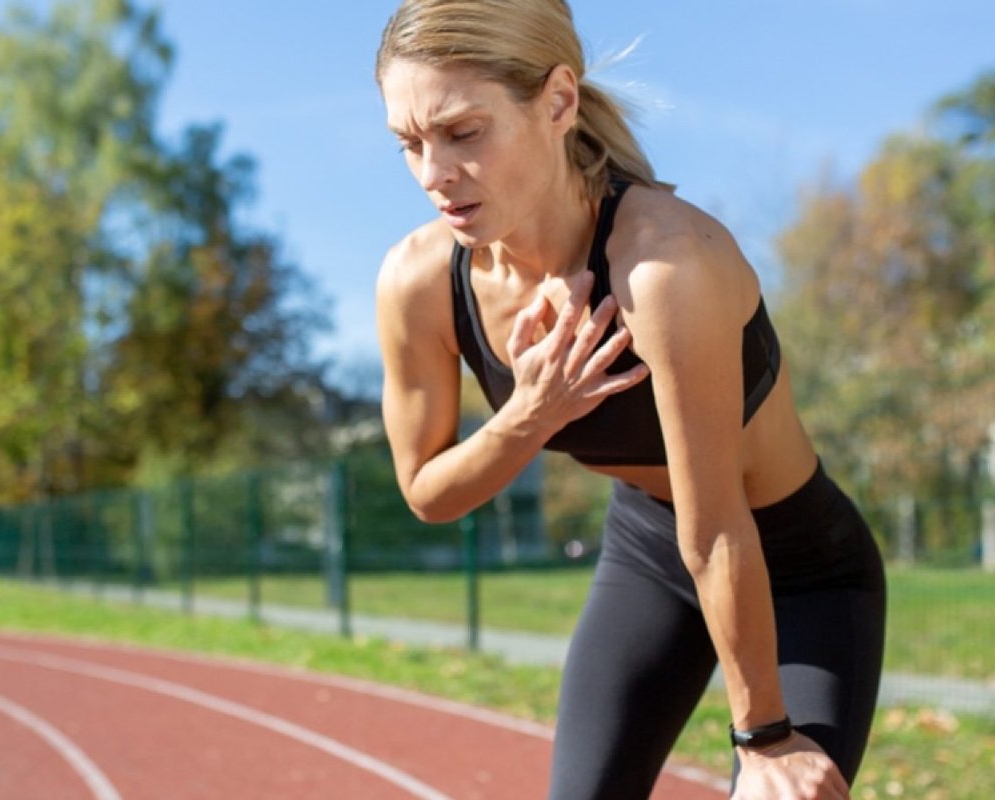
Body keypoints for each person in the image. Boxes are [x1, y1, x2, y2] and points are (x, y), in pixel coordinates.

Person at [372, 1, 886, 798]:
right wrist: (530, 412)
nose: (433, 175)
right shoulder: (420, 284)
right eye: (409, 143)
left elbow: (717, 527)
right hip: (650, 552)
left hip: (798, 566)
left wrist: (764, 737)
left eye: (464, 133)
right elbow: (427, 494)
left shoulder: (664, 267)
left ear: (558, 102)